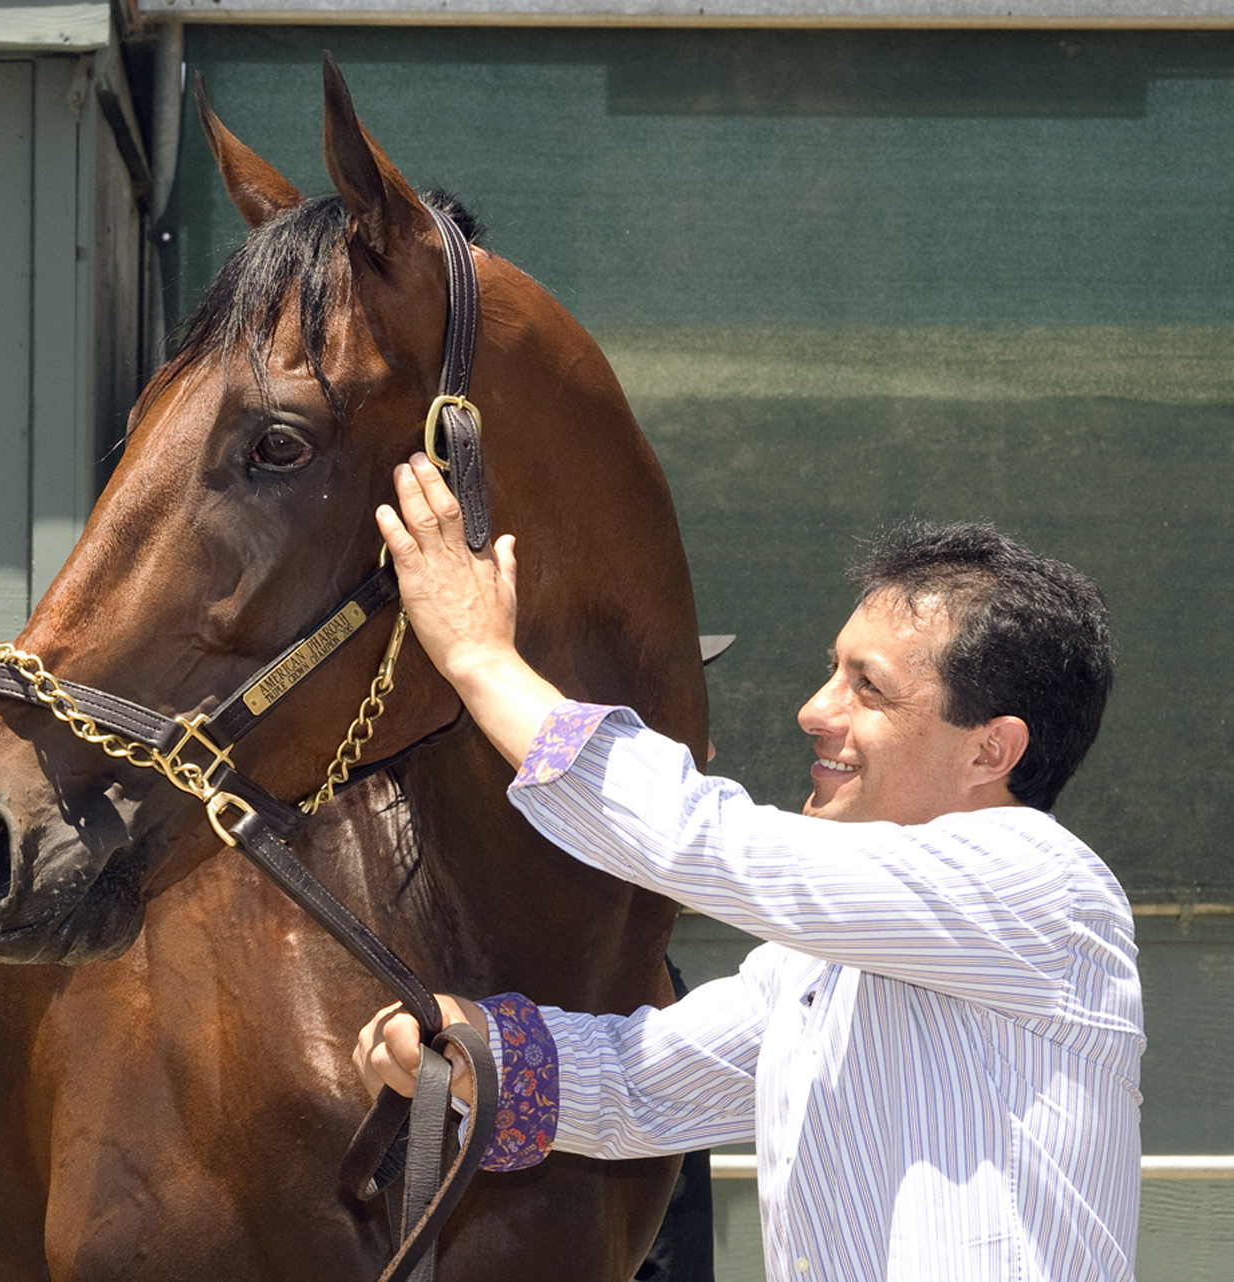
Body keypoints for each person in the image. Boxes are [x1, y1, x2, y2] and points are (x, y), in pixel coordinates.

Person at [353, 456, 1144, 1282]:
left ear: (992, 749)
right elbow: (639, 1087)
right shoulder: (818, 963)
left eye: (867, 689)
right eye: (832, 671)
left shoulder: (1043, 884)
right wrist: (476, 1052)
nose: (814, 711)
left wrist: (482, 659)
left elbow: (709, 843)